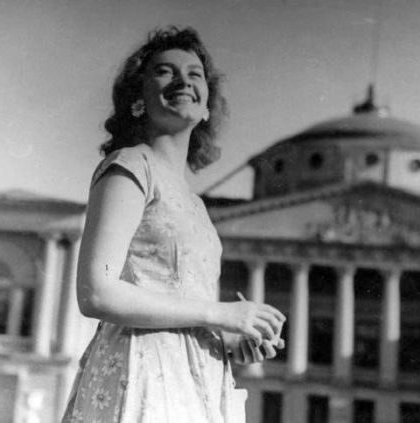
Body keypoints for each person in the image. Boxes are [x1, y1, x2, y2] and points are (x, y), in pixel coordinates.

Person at [62, 26, 285, 423]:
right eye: (165, 71)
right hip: (142, 374)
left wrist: (233, 338)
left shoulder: (196, 204)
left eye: (195, 74)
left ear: (206, 107)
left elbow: (183, 302)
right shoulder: (131, 166)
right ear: (137, 99)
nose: (183, 80)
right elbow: (96, 292)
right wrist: (221, 314)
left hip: (197, 381)